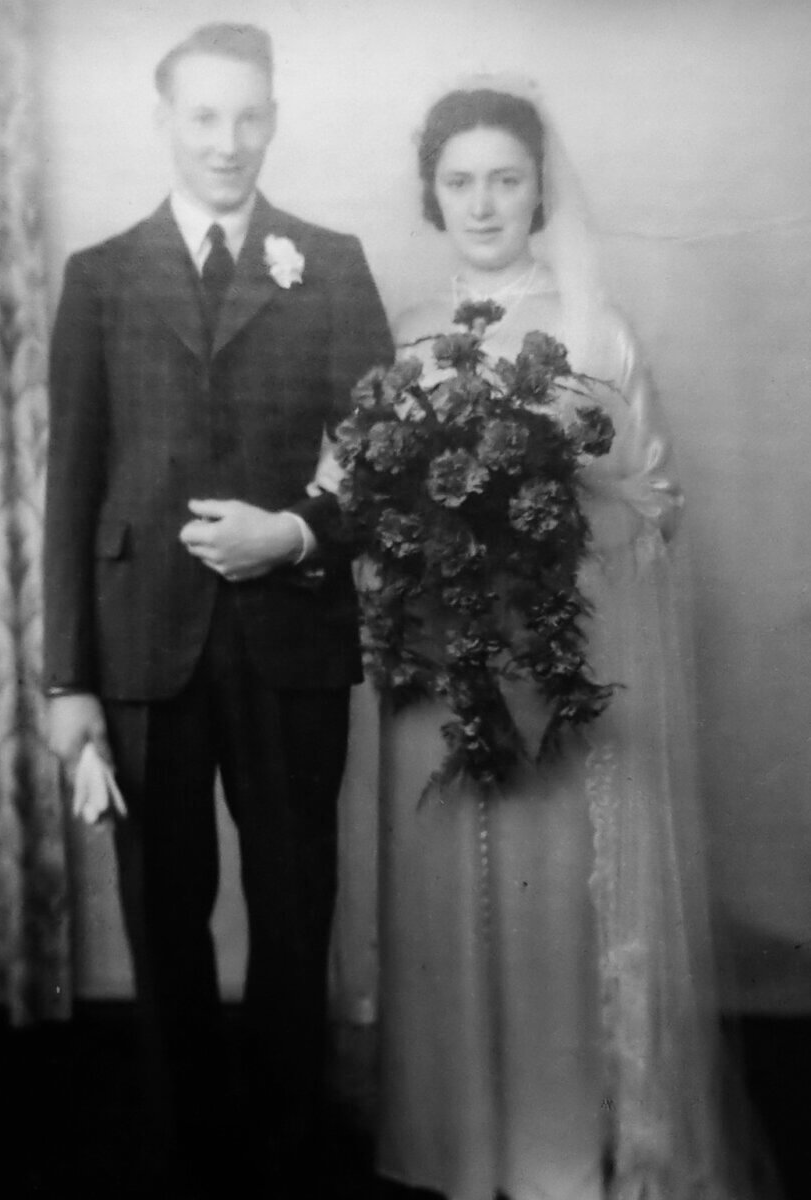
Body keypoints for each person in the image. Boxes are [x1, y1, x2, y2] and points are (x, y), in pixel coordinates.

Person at [368, 81, 774, 1200]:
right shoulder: (402, 334)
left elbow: (656, 505)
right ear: (431, 194)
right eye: (460, 182)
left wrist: (551, 536)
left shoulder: (593, 326)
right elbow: (361, 496)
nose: (483, 203)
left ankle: (551, 1155)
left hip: (559, 661)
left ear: (540, 190)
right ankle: (459, 1145)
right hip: (442, 666)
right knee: (450, 895)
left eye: (505, 179)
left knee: (553, 914)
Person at [41, 22, 392, 1195]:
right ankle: (189, 1151)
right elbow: (71, 486)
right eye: (204, 116)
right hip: (143, 645)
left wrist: (291, 532)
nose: (228, 140)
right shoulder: (100, 276)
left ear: (275, 118)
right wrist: (66, 680)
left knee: (297, 909)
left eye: (249, 115)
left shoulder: (328, 262)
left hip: (290, 633)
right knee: (164, 909)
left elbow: (380, 456)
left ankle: (290, 1151)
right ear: (165, 122)